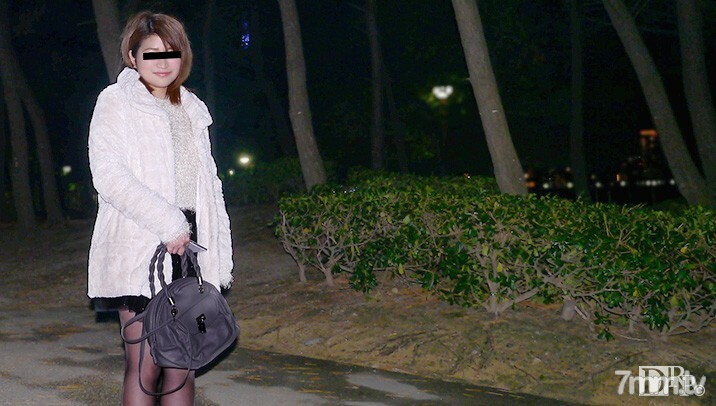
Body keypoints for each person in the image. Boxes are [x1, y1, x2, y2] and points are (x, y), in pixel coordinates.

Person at [87, 11, 233, 405]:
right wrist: (168, 222)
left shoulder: (191, 107)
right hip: (142, 241)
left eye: (172, 52)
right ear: (133, 57)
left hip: (191, 246)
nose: (163, 62)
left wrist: (217, 252)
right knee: (146, 363)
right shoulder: (116, 101)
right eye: (151, 53)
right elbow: (108, 175)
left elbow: (209, 184)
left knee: (184, 362)